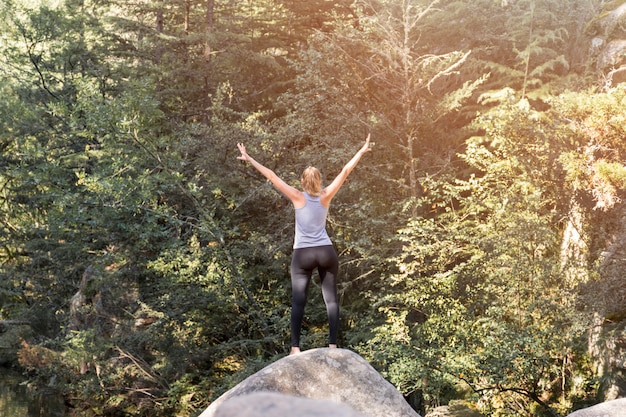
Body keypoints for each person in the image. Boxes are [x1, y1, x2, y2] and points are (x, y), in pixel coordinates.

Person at [237, 135, 372, 355]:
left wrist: (250, 158)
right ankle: (332, 345)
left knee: (299, 300)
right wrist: (361, 150)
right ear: (319, 181)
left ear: (302, 181)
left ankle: (295, 348)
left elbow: (271, 175)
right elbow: (345, 171)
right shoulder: (326, 195)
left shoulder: (297, 196)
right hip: (326, 251)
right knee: (331, 299)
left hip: (303, 254)